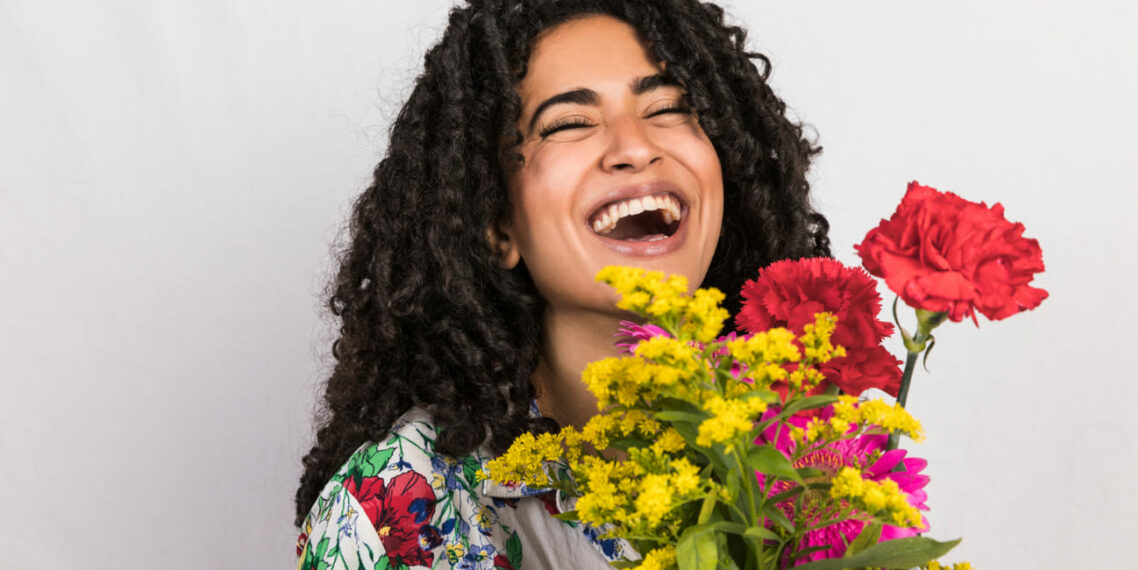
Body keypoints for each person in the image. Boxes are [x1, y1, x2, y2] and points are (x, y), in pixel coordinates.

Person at [295, 1, 830, 568]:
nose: (635, 147)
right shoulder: (397, 502)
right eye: (570, 123)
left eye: (669, 107)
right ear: (497, 225)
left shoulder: (807, 453)